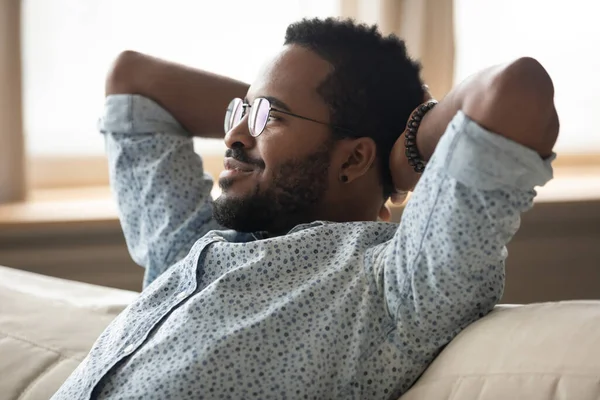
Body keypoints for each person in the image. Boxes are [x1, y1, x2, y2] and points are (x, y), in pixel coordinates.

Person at [53, 18, 558, 400]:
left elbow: (516, 92)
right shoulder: (192, 248)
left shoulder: (390, 287)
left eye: (266, 116)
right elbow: (134, 80)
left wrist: (406, 147)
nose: (232, 134)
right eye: (240, 111)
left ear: (355, 157)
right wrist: (270, 110)